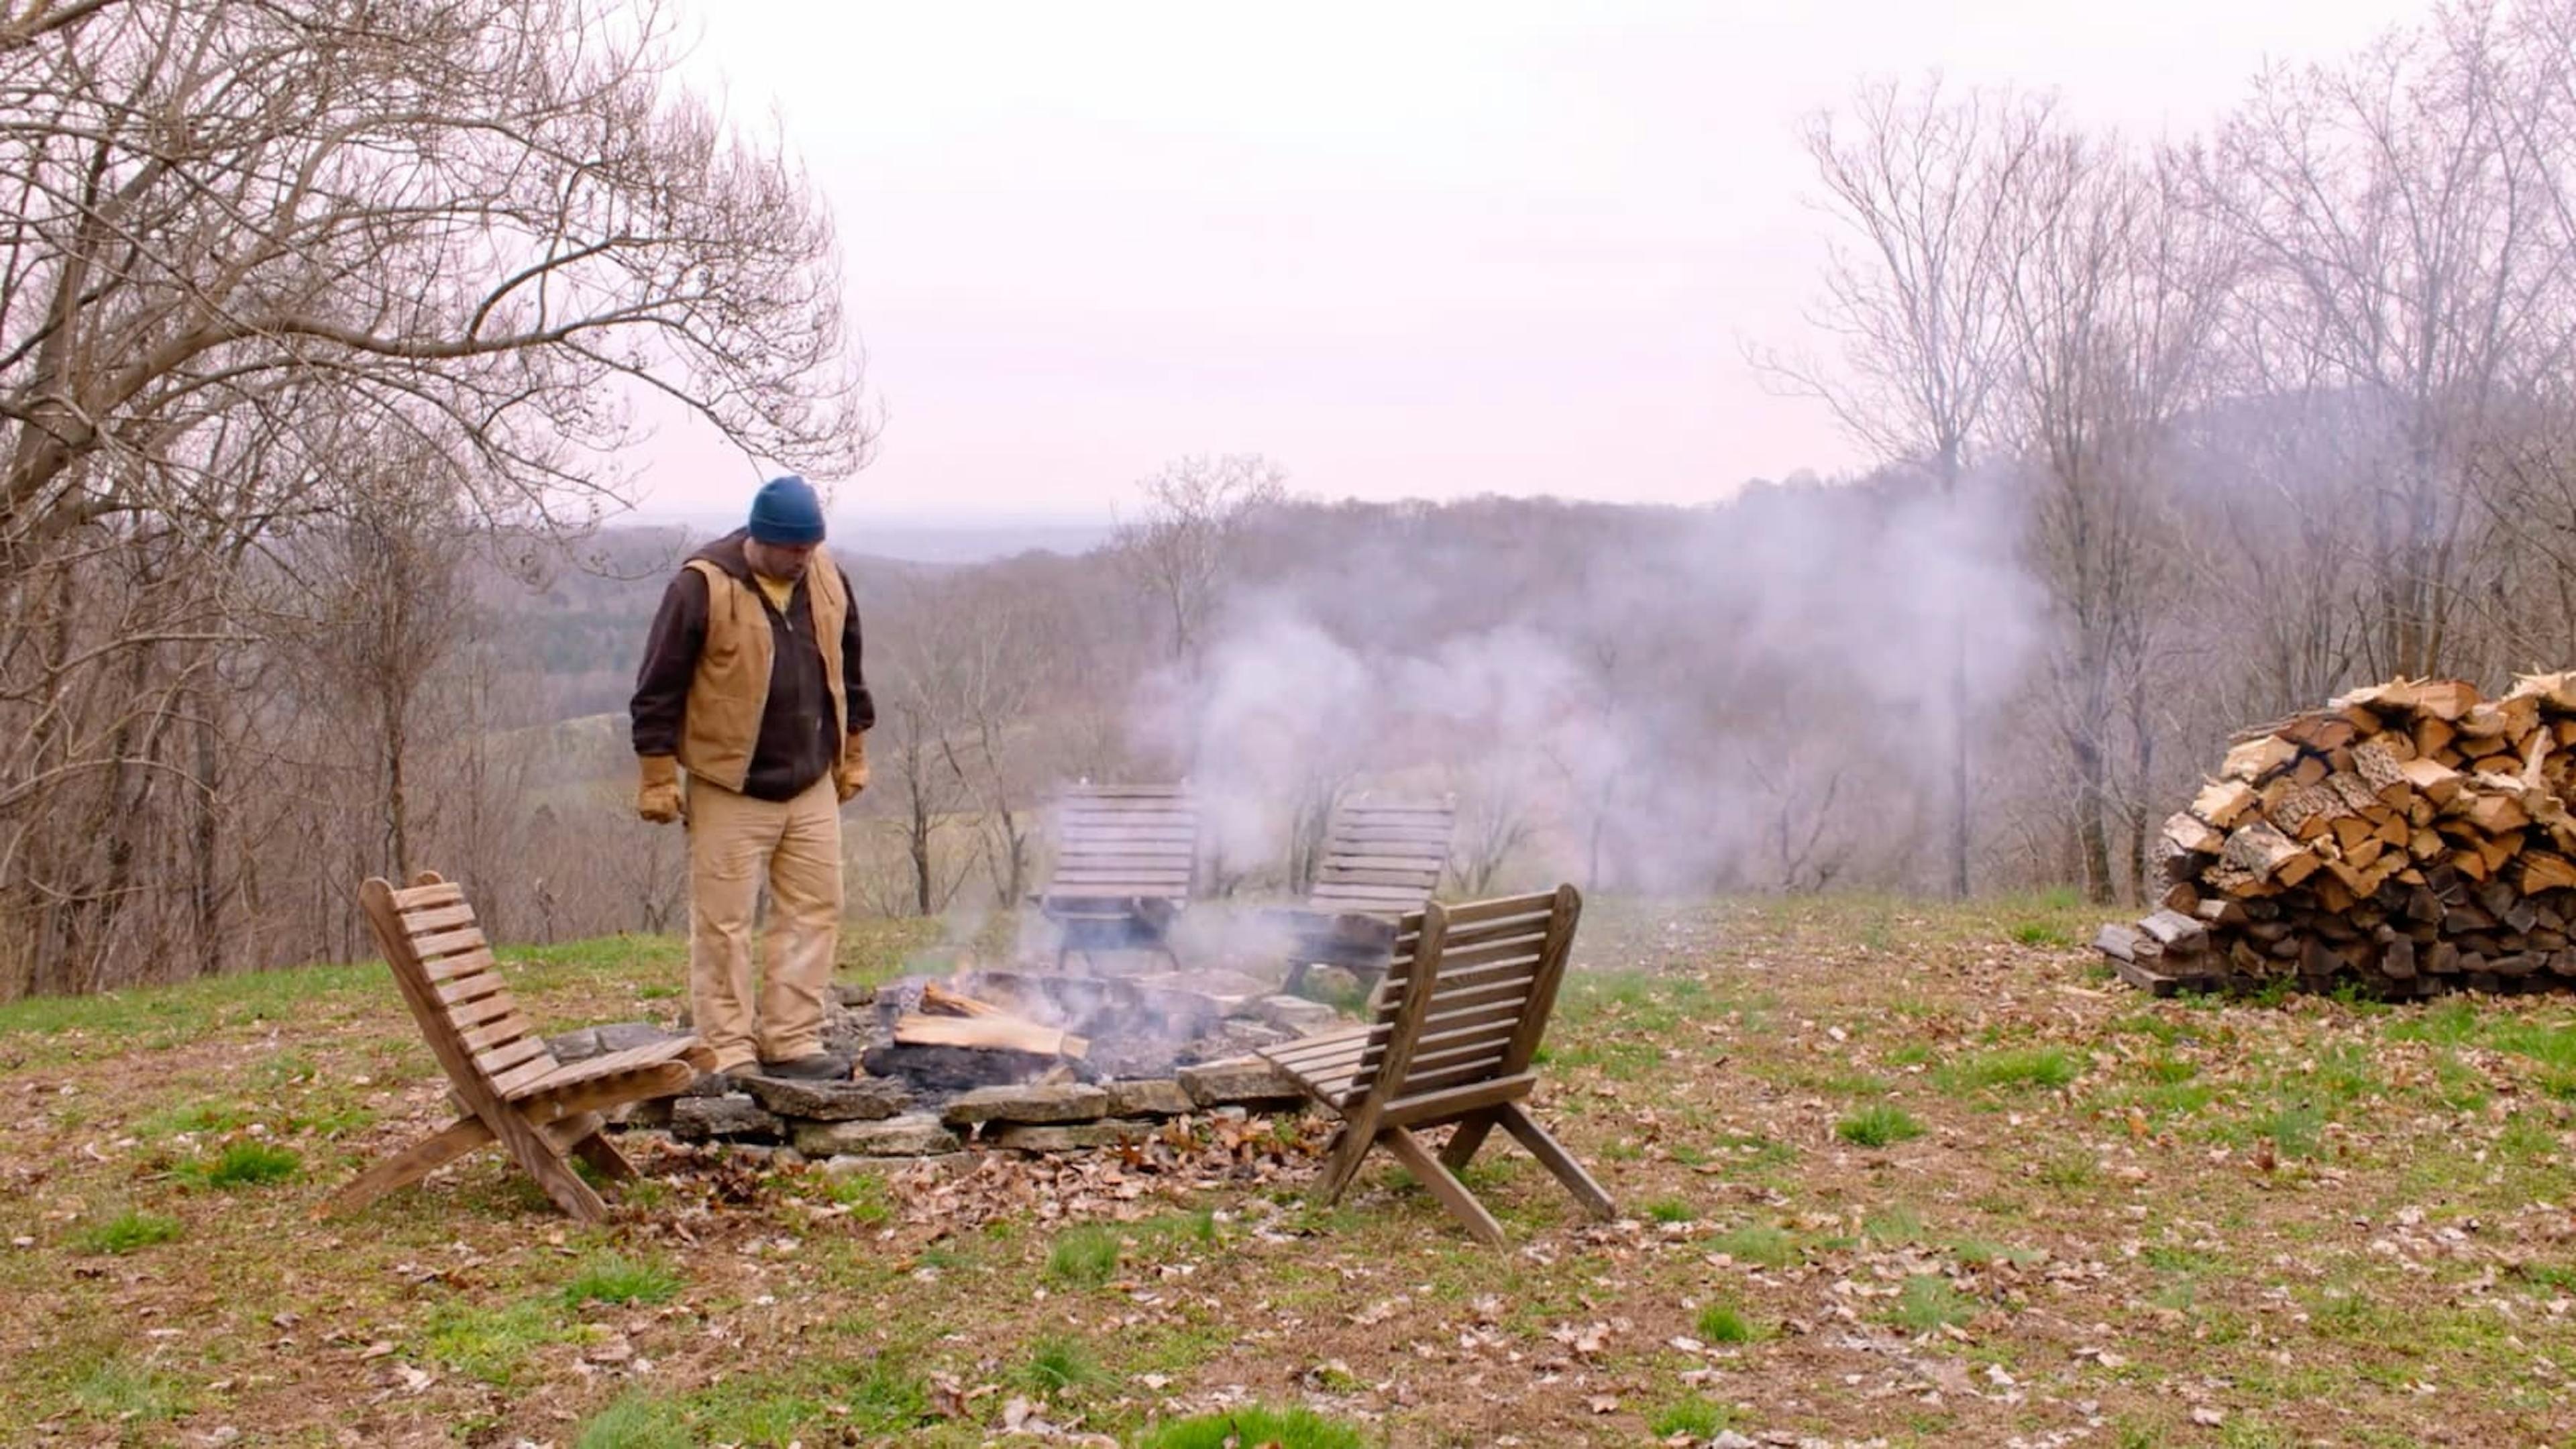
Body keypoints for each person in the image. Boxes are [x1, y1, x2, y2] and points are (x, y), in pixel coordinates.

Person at [630, 475, 874, 1081]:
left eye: (809, 547)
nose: (801, 559)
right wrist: (658, 774)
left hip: (811, 778)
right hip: (728, 782)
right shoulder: (702, 586)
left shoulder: (827, 578)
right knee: (725, 923)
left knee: (815, 910)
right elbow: (657, 690)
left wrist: (854, 750)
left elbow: (850, 667)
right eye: (791, 549)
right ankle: (730, 1048)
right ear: (759, 540)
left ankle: (792, 1038)